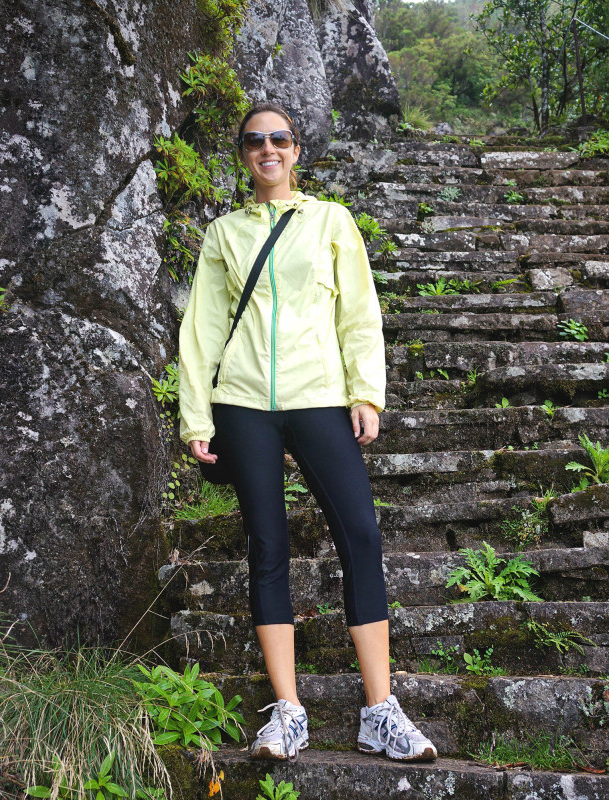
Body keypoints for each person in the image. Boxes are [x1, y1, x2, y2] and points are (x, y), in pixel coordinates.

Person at [177, 103, 437, 764]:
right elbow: (203, 329)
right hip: (241, 403)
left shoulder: (330, 221)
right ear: (243, 155)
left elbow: (359, 312)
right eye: (255, 141)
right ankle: (287, 713)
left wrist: (366, 393)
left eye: (280, 139)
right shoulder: (224, 233)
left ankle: (380, 710)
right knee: (268, 543)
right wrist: (196, 416)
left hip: (318, 396)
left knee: (360, 532)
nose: (269, 149)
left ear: (297, 150)